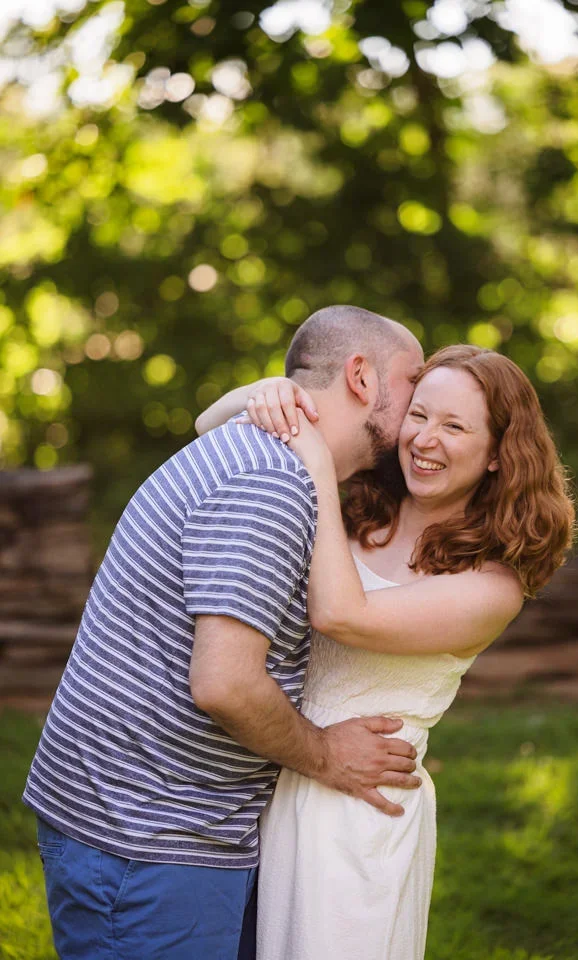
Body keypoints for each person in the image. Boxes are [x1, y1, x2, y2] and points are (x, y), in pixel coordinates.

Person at [22, 305, 426, 960]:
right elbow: (225, 682)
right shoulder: (272, 482)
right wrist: (326, 755)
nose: (422, 403)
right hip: (146, 835)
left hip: (158, 820)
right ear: (361, 377)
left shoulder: (275, 456)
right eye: (414, 381)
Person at [199, 344, 576, 960]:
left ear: (498, 455)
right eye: (419, 415)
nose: (425, 440)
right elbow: (207, 426)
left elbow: (342, 614)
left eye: (455, 426)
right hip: (265, 776)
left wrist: (316, 463)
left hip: (358, 812)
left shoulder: (492, 586)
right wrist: (269, 392)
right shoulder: (358, 506)